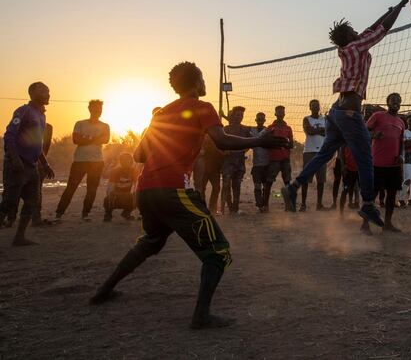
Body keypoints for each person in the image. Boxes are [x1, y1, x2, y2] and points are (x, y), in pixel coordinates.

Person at [89, 61, 288, 328]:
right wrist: (259, 140)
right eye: (203, 79)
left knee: (151, 241)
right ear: (196, 83)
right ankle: (201, 316)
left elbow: (139, 155)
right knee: (218, 253)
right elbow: (223, 140)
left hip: (146, 190)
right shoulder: (202, 107)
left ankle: (104, 291)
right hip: (174, 190)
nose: (205, 84)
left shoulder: (161, 114)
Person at [283, 0, 411, 228]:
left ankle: (293, 187)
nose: (358, 31)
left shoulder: (347, 48)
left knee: (325, 155)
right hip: (349, 113)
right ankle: (367, 204)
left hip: (335, 112)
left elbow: (369, 30)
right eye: (354, 31)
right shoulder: (357, 48)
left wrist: (387, 12)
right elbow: (381, 30)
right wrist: (400, 5)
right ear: (349, 36)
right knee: (366, 158)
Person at [0, 82, 55, 245]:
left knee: (32, 201)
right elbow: (9, 136)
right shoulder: (23, 111)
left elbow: (36, 145)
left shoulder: (41, 116)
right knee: (9, 202)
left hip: (32, 166)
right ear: (32, 94)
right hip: (17, 164)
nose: (47, 94)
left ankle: (19, 237)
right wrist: (15, 160)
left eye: (48, 91)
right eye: (43, 91)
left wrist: (45, 164)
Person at [55, 100, 110, 220]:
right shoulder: (80, 123)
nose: (97, 111)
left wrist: (85, 138)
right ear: (89, 109)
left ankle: (85, 214)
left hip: (97, 161)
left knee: (92, 189)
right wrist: (95, 138)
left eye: (99, 109)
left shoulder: (105, 126)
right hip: (80, 160)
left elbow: (105, 140)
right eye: (95, 109)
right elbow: (76, 140)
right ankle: (59, 213)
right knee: (71, 187)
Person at [365, 94, 406, 233]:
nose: (396, 103)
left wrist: (401, 155)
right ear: (387, 102)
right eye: (393, 100)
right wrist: (373, 136)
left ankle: (387, 224)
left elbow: (401, 142)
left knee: (392, 195)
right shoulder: (378, 116)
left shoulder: (401, 122)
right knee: (372, 194)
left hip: (394, 165)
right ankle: (365, 224)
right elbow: (364, 132)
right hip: (377, 163)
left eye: (398, 101)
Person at [265, 105, 295, 209]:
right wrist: (278, 143)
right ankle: (265, 205)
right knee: (269, 182)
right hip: (274, 159)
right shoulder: (270, 128)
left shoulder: (288, 128)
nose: (281, 114)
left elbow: (291, 145)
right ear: (275, 114)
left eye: (282, 112)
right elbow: (266, 143)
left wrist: (284, 144)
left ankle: (289, 205)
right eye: (279, 112)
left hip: (285, 158)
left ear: (284, 114)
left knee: (287, 182)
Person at [221, 106, 249, 214]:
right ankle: (224, 207)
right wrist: (224, 151)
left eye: (241, 115)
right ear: (233, 116)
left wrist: (244, 150)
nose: (239, 117)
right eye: (237, 115)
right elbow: (219, 144)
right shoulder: (226, 129)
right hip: (228, 162)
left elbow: (250, 142)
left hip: (239, 162)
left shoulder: (245, 129)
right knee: (226, 185)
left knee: (236, 186)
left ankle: (235, 208)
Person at [302, 100, 327, 211]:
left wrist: (317, 130)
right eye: (313, 106)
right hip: (309, 151)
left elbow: (328, 132)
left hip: (321, 152)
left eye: (317, 105)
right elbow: (309, 131)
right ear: (310, 107)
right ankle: (303, 204)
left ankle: (319, 204)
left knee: (321, 180)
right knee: (306, 179)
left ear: (319, 107)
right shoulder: (306, 119)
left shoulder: (324, 119)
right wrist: (321, 130)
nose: (315, 107)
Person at [32, 122, 55, 226]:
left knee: (35, 191)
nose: (45, 109)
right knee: (36, 191)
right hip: (33, 162)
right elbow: (43, 148)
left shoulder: (45, 127)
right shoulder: (45, 127)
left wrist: (44, 163)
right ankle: (36, 218)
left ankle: (11, 217)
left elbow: (43, 148)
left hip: (35, 162)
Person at [103, 152, 136, 221]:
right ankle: (108, 214)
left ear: (132, 162)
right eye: (124, 161)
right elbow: (110, 188)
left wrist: (134, 195)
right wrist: (113, 194)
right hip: (116, 196)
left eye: (129, 161)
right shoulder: (115, 171)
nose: (127, 163)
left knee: (136, 198)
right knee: (107, 199)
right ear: (121, 162)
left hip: (127, 197)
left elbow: (136, 186)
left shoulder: (134, 171)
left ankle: (126, 213)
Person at [197, 135, 224, 214]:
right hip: (205, 169)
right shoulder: (203, 140)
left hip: (214, 169)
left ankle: (211, 207)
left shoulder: (216, 140)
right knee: (203, 188)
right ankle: (206, 207)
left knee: (215, 188)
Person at [250, 112, 271, 212]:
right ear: (256, 120)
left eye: (262, 119)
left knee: (266, 186)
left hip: (267, 163)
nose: (260, 121)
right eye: (259, 119)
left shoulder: (268, 131)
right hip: (257, 164)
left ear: (264, 120)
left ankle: (265, 204)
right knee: (257, 186)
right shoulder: (253, 130)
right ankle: (259, 205)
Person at [338, 146, 359, 214]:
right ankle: (341, 212)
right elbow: (341, 155)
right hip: (348, 170)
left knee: (354, 189)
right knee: (345, 189)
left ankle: (352, 204)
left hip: (357, 170)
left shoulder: (359, 141)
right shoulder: (345, 141)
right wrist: (343, 166)